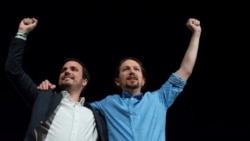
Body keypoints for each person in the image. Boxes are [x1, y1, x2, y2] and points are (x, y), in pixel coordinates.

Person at [38, 17, 202, 141]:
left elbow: (185, 70)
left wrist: (196, 34)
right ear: (117, 81)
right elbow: (73, 106)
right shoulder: (105, 105)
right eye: (126, 69)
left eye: (136, 69)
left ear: (143, 80)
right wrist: (48, 93)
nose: (131, 72)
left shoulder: (159, 99)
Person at [5, 17, 108, 141]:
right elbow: (13, 70)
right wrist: (22, 33)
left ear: (84, 81)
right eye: (64, 70)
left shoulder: (95, 114)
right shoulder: (44, 98)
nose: (67, 71)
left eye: (73, 69)